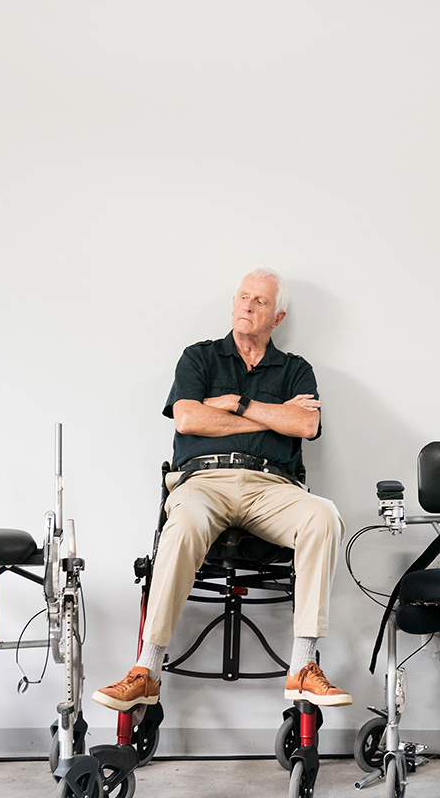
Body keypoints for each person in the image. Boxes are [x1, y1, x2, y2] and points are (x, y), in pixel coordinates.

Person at [93, 269, 351, 712]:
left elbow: (306, 424)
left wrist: (236, 403)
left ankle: (303, 666)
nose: (249, 306)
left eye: (261, 301)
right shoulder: (199, 358)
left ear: (278, 315)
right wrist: (273, 416)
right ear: (232, 305)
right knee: (184, 522)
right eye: (243, 298)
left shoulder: (295, 369)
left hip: (272, 486)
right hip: (204, 481)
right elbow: (188, 419)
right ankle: (147, 670)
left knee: (323, 514)